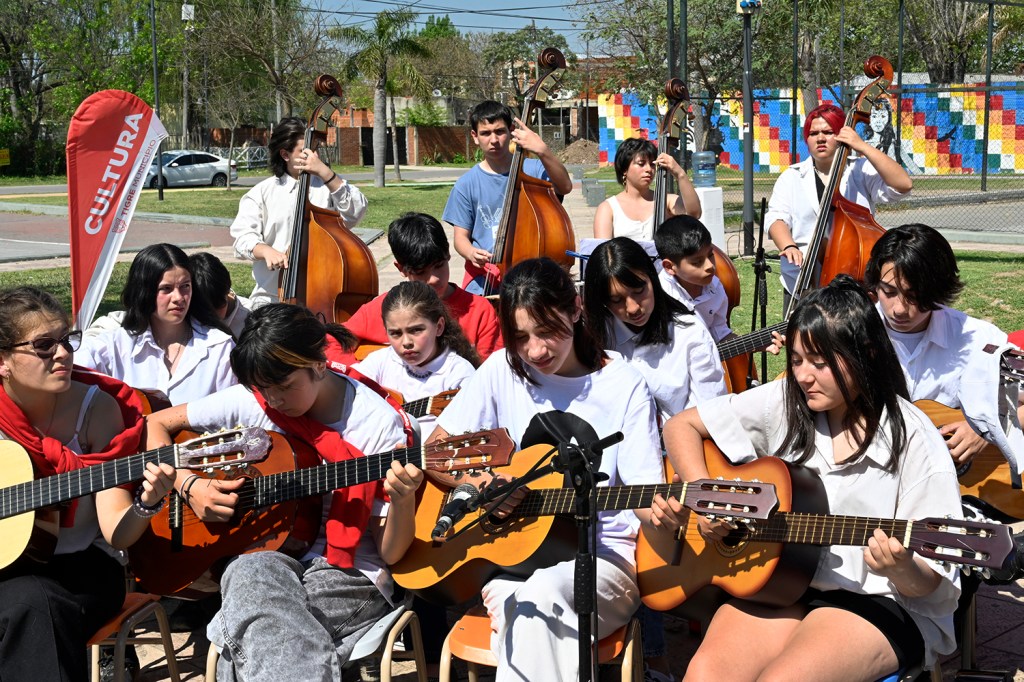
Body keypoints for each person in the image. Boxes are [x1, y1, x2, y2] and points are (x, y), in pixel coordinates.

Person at [656, 276, 962, 680]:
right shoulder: (786, 401)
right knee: (705, 675)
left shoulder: (914, 438)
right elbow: (681, 426)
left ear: (865, 352)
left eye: (820, 363)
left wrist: (901, 567)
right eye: (797, 360)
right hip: (778, 581)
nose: (803, 376)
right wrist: (708, 499)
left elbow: (930, 581)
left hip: (875, 597)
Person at [145, 303, 421, 682]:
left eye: (285, 387)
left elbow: (390, 553)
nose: (273, 400)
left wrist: (403, 501)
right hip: (271, 557)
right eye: (263, 389)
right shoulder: (257, 397)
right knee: (249, 573)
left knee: (249, 639)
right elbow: (155, 424)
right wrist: (188, 484)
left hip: (350, 570)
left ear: (319, 364)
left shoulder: (375, 424)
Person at [428, 257, 670, 682]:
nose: (535, 350)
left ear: (575, 309)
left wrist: (672, 515)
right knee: (527, 608)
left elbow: (646, 494)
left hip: (604, 560)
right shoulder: (502, 369)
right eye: (520, 337)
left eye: (547, 331)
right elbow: (435, 451)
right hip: (511, 560)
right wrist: (484, 484)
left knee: (533, 606)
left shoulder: (624, 384)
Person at [0, 286, 176, 682]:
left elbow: (116, 533)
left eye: (66, 340)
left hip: (84, 569)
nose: (63, 353)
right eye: (44, 345)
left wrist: (146, 504)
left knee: (33, 606)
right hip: (9, 572)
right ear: (3, 361)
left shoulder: (96, 410)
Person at [863, 223, 1021, 468]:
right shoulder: (851, 333)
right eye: (889, 292)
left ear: (938, 290)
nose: (899, 309)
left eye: (913, 296)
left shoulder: (980, 339)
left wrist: (986, 429)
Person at [766, 103, 913, 304]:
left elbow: (903, 185)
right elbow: (776, 218)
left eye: (828, 132)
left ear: (842, 135)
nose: (820, 138)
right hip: (803, 279)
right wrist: (789, 245)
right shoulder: (791, 176)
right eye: (813, 133)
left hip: (851, 282)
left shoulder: (860, 170)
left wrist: (862, 146)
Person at [584, 236, 726, 422]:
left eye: (639, 291)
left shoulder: (690, 333)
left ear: (652, 279)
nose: (633, 308)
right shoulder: (594, 337)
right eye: (616, 300)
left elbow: (711, 413)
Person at [230, 117, 368, 308]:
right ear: (285, 155)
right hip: (272, 298)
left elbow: (356, 212)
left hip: (324, 295)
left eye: (315, 149)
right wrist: (265, 250)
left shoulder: (329, 186)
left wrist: (326, 174)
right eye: (305, 151)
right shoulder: (261, 193)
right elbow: (242, 239)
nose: (313, 156)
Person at [77, 243, 237, 407]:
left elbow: (234, 411)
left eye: (185, 286)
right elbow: (72, 372)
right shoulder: (115, 346)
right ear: (143, 291)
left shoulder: (219, 347)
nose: (178, 297)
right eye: (166, 289)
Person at [442, 100, 573, 294]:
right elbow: (460, 238)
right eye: (485, 133)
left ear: (511, 131)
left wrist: (543, 150)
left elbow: (565, 186)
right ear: (475, 136)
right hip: (486, 279)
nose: (494, 140)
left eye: (500, 131)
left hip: (530, 278)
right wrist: (470, 252)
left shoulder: (534, 170)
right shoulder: (465, 184)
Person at [343, 212, 503, 360]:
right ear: (401, 269)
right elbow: (333, 341)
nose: (433, 279)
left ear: (448, 254)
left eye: (439, 265)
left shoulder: (480, 310)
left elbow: (492, 370)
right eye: (420, 272)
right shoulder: (384, 307)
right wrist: (357, 375)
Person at [354, 281, 477, 433]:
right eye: (395, 333)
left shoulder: (458, 373)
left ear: (439, 327)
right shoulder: (380, 362)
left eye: (416, 330)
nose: (406, 342)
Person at [593, 137, 701, 241]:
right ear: (624, 169)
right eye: (641, 164)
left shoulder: (666, 201)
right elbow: (603, 250)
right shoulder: (608, 208)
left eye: (652, 164)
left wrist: (680, 174)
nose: (649, 169)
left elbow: (694, 214)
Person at [654, 215, 733, 343]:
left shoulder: (715, 287)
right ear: (669, 267)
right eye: (697, 262)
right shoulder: (658, 297)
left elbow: (720, 334)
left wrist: (755, 343)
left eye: (710, 255)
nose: (710, 266)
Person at [189, 251, 251, 338]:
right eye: (201, 309)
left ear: (227, 289)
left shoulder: (251, 317)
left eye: (217, 306)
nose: (211, 315)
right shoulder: (184, 318)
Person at [863, 97, 922, 176]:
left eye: (883, 116)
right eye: (874, 116)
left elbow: (911, 165)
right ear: (869, 119)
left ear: (888, 119)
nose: (878, 121)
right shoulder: (863, 144)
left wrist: (921, 176)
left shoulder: (892, 143)